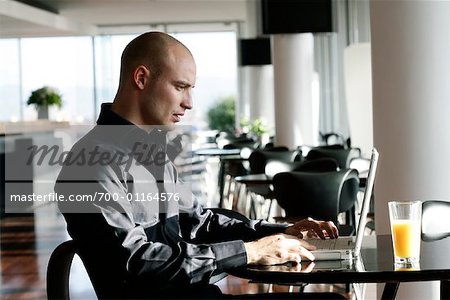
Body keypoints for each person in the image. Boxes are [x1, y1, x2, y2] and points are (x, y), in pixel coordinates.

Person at [54, 31, 339, 299]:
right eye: (180, 87)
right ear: (141, 78)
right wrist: (248, 252)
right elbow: (136, 264)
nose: (189, 103)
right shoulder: (90, 165)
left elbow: (197, 222)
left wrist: (275, 232)